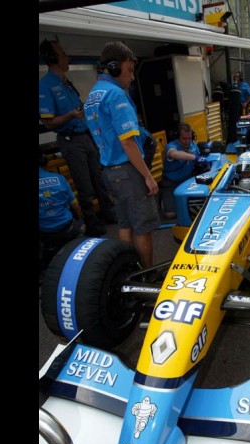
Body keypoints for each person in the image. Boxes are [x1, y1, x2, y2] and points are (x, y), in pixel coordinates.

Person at [84, 41, 160, 267]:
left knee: (125, 224)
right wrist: (147, 175)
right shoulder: (116, 95)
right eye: (129, 70)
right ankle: (146, 276)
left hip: (109, 171)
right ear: (115, 67)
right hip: (128, 170)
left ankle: (128, 271)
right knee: (142, 227)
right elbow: (127, 142)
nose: (132, 77)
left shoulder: (92, 96)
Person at [39, 39, 114, 237]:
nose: (67, 57)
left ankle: (109, 214)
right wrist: (71, 115)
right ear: (53, 58)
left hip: (86, 137)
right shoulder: (46, 85)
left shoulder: (66, 81)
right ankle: (93, 225)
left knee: (100, 179)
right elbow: (48, 122)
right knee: (85, 186)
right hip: (71, 141)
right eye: (62, 53)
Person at [38, 151, 83, 271]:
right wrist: (82, 223)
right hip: (67, 228)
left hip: (45, 234)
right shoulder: (59, 178)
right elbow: (75, 206)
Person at [160, 122, 209, 219]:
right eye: (184, 138)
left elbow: (200, 157)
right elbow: (173, 154)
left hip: (187, 181)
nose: (187, 141)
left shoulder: (193, 145)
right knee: (171, 215)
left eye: (189, 138)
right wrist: (194, 157)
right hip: (171, 182)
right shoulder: (172, 146)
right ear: (178, 137)